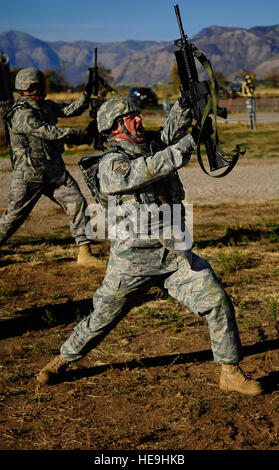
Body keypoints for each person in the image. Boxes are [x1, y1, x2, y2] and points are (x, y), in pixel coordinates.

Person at [37, 96, 263, 396]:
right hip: (132, 263)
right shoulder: (110, 164)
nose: (140, 119)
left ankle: (230, 372)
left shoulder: (152, 146)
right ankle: (62, 359)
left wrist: (186, 102)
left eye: (138, 114)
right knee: (101, 318)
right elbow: (151, 167)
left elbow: (170, 131)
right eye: (132, 117)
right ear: (116, 127)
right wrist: (187, 144)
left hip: (174, 255)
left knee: (217, 299)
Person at [0, 67, 101, 266]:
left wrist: (86, 94)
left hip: (54, 172)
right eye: (39, 85)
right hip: (30, 174)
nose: (43, 88)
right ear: (30, 87)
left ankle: (84, 253)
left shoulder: (44, 105)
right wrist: (83, 135)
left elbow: (70, 110)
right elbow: (50, 132)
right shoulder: (21, 114)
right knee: (13, 217)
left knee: (77, 202)